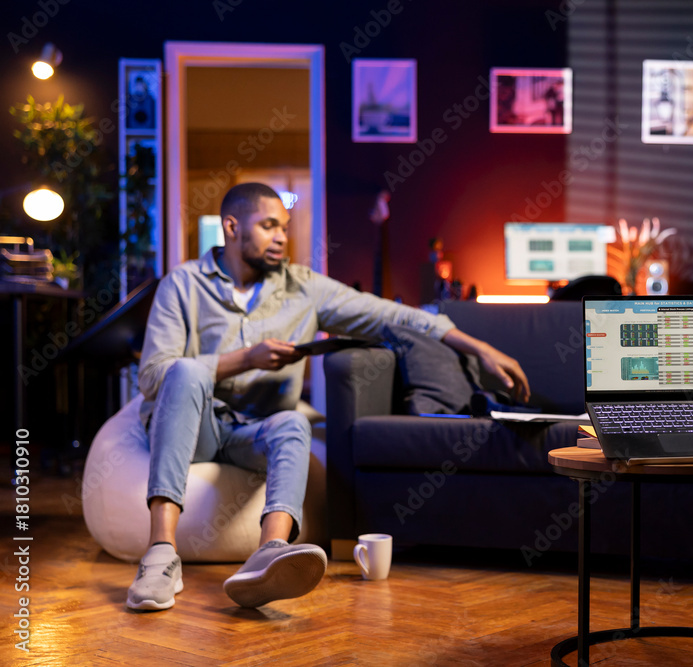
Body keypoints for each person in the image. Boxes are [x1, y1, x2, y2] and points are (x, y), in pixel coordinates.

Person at [127, 182, 529, 611]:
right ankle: (160, 555)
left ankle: (268, 553)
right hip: (196, 428)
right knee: (185, 369)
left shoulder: (303, 288)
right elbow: (152, 377)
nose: (282, 237)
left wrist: (479, 348)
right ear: (231, 227)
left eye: (284, 227)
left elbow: (392, 315)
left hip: (253, 432)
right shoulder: (182, 284)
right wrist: (247, 358)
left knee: (295, 422)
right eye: (268, 226)